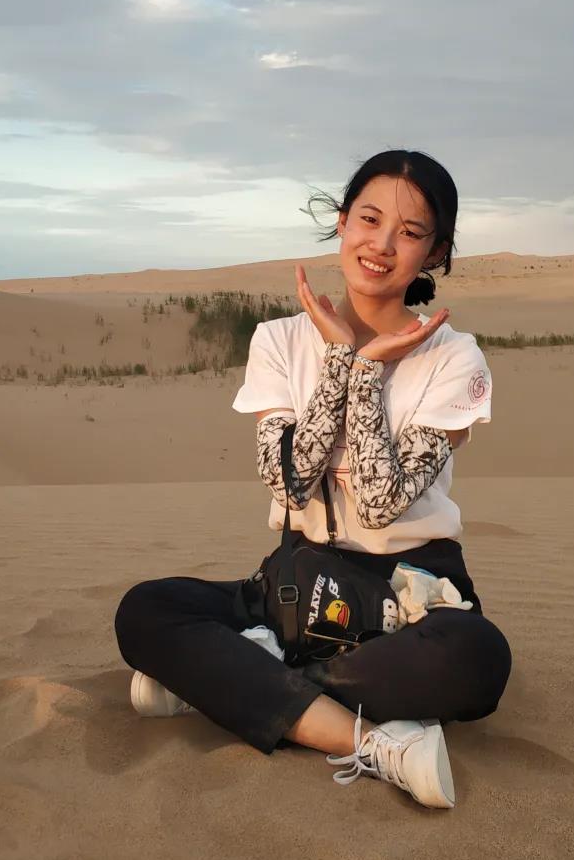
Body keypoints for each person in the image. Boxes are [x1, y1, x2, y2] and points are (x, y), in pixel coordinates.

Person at [114, 149, 512, 809]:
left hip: (406, 598)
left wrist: (366, 373)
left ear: (435, 253)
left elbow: (381, 503)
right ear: (342, 221)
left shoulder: (454, 358)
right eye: (369, 219)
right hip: (292, 588)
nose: (382, 245)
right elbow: (290, 485)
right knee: (145, 611)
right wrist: (338, 361)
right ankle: (368, 740)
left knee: (476, 660)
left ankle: (233, 679)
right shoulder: (279, 340)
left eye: (411, 232)